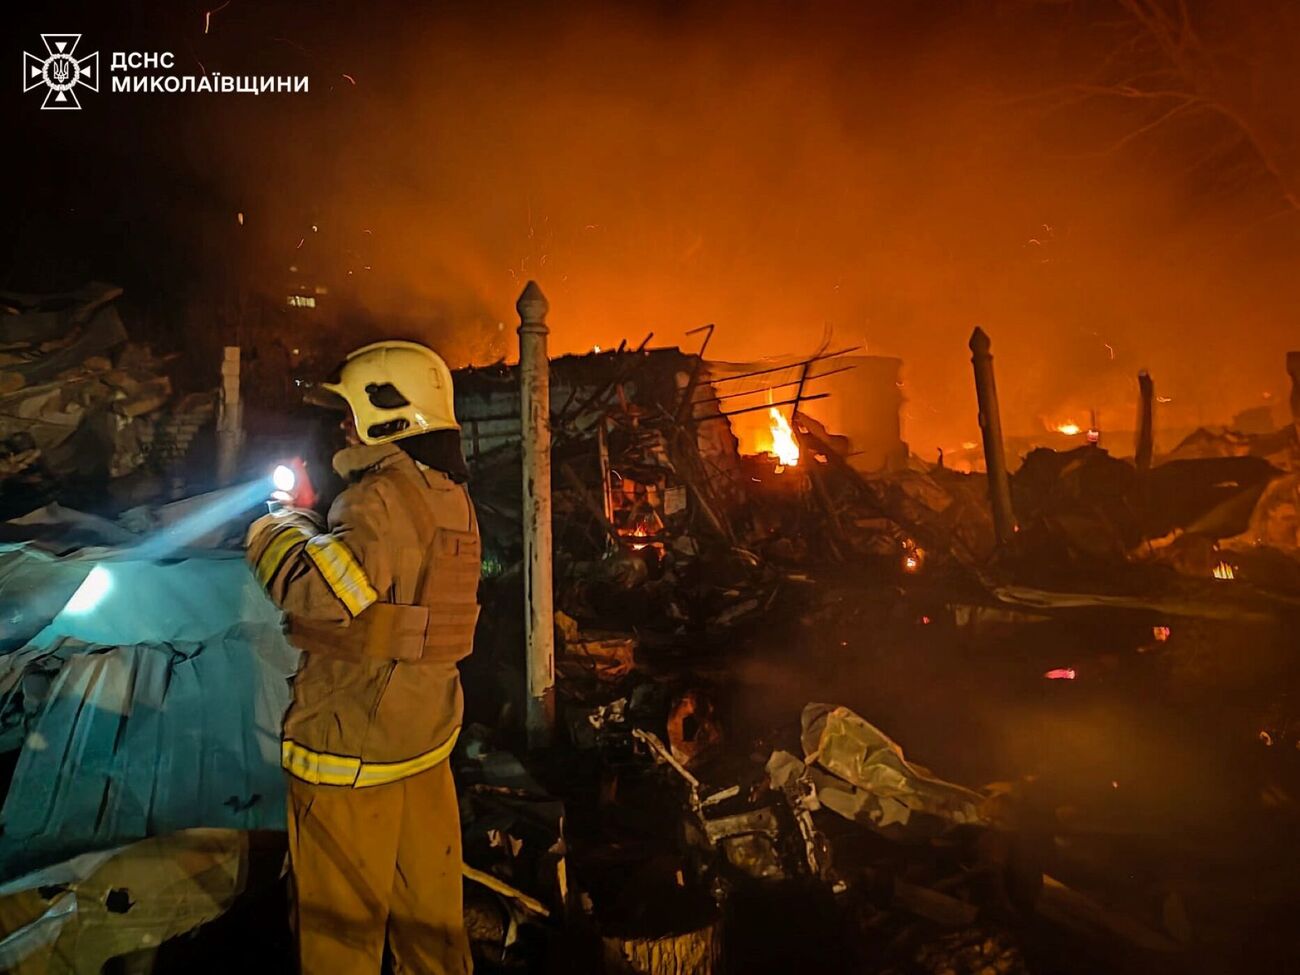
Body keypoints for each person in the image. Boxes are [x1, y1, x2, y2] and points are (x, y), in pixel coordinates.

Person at [245, 340, 478, 974]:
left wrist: (280, 525)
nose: (342, 425)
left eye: (349, 412)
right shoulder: (448, 495)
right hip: (425, 746)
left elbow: (327, 592)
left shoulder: (375, 498)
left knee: (337, 941)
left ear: (391, 413)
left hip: (351, 752)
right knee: (433, 935)